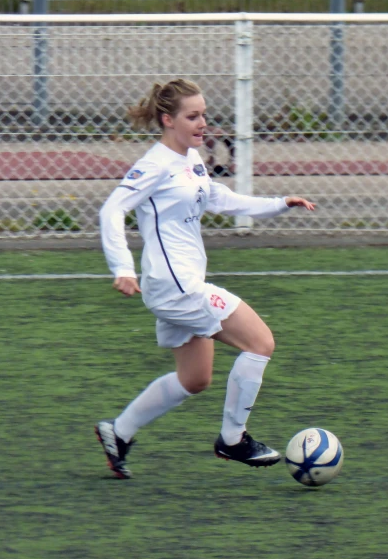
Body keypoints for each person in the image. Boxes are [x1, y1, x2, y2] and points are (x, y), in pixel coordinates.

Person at [96, 78, 315, 479]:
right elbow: (112, 209)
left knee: (194, 379)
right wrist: (122, 268)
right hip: (177, 286)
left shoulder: (190, 159)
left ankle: (119, 431)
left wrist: (279, 203)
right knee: (261, 342)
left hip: (174, 287)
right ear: (168, 120)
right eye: (192, 116)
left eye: (204, 115)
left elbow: (218, 199)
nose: (203, 123)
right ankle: (233, 440)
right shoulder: (155, 164)